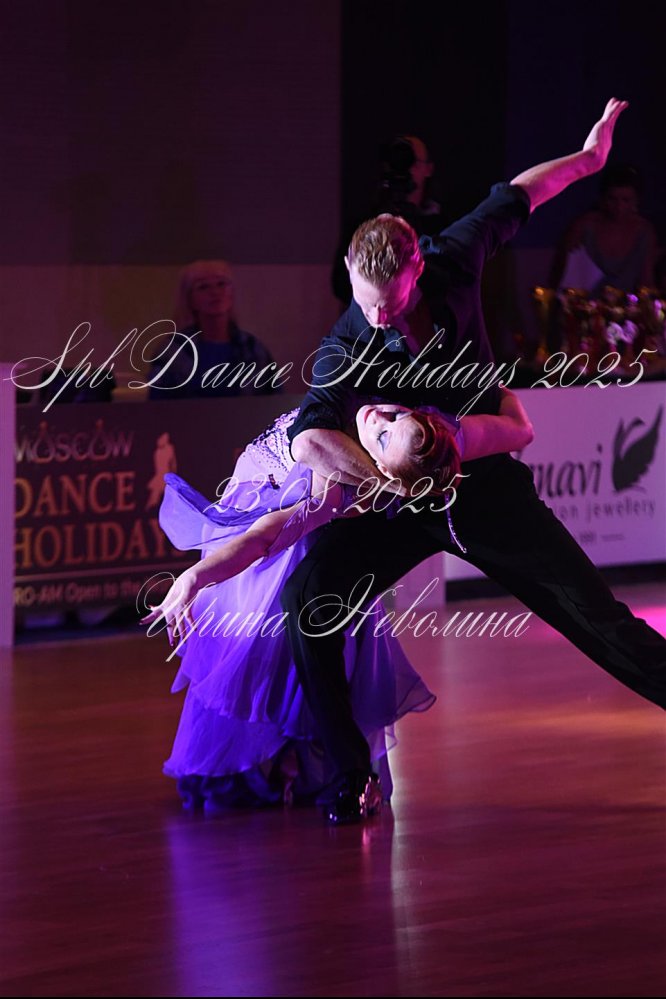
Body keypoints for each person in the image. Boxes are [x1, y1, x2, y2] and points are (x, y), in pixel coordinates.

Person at [283, 98, 666, 824]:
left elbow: (521, 193)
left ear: (418, 266)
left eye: (390, 304)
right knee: (309, 599)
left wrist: (589, 160)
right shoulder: (348, 339)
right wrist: (387, 483)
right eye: (366, 303)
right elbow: (308, 437)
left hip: (486, 490)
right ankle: (351, 775)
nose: (378, 318)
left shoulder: (455, 257)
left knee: (597, 619)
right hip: (402, 504)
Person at [140, 392, 533, 814]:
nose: (379, 417)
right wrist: (498, 387)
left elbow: (261, 539)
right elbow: (521, 430)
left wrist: (195, 577)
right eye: (397, 416)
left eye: (383, 438)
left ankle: (276, 769)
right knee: (276, 658)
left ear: (383, 471)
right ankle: (290, 766)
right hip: (252, 503)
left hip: (273, 546)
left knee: (263, 660)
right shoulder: (432, 430)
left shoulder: (334, 490)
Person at [147, 259, 281, 399]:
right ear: (190, 299)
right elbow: (157, 405)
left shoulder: (251, 348)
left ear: (232, 293)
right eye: (203, 287)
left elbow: (276, 399)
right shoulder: (174, 350)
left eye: (221, 284)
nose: (215, 292)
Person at [549, 163, 657, 295]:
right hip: (584, 303)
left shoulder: (644, 231)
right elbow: (560, 274)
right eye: (612, 199)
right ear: (603, 199)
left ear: (636, 201)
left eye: (626, 200)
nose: (619, 207)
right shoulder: (584, 226)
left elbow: (646, 280)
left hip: (627, 305)